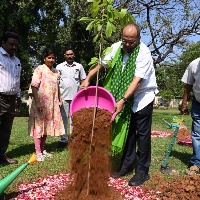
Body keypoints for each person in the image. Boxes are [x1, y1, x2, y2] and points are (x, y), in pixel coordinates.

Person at [80, 23, 158, 186]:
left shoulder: (144, 53)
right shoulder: (115, 48)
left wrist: (123, 100)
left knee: (142, 134)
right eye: (125, 41)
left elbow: (137, 81)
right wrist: (88, 78)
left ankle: (142, 171)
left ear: (138, 39)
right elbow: (101, 64)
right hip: (122, 95)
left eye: (131, 41)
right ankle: (126, 165)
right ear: (121, 38)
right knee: (128, 132)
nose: (128, 45)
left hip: (142, 95)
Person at [28, 49, 65, 161]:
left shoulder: (56, 71)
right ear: (44, 58)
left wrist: (60, 98)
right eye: (49, 57)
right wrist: (38, 102)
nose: (51, 60)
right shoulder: (39, 69)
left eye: (53, 58)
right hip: (41, 102)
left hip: (52, 104)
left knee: (46, 127)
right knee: (39, 127)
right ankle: (38, 152)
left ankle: (43, 149)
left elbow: (57, 86)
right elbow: (34, 86)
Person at [56, 48, 86, 148]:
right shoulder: (59, 67)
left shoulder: (79, 66)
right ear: (64, 55)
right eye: (67, 54)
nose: (69, 56)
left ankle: (74, 139)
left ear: (74, 55)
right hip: (63, 97)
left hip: (76, 98)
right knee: (64, 119)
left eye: (71, 54)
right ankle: (64, 140)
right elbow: (56, 82)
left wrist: (82, 94)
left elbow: (83, 80)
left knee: (75, 119)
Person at [0, 32, 21, 164]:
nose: (14, 47)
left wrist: (18, 96)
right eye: (11, 44)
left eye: (16, 45)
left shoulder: (16, 60)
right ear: (3, 43)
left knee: (6, 129)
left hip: (11, 99)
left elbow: (17, 79)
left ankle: (1, 154)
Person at [181, 57, 200, 175]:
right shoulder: (194, 64)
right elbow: (188, 85)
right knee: (197, 133)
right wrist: (184, 103)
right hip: (198, 102)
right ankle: (197, 163)